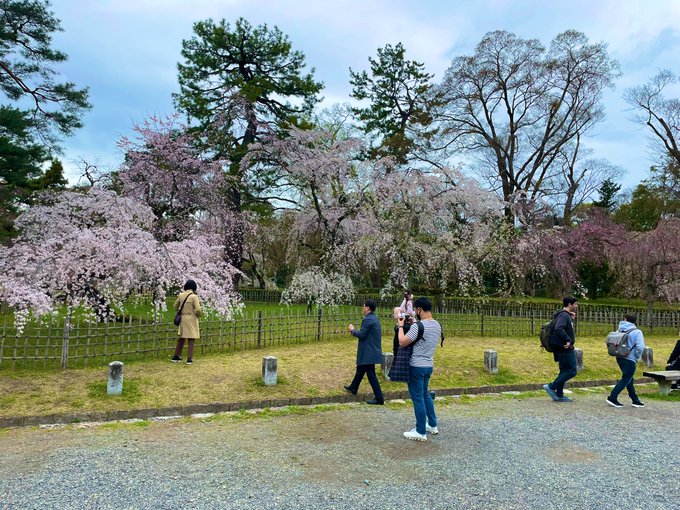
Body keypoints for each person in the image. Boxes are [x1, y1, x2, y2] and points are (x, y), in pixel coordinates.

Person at [397, 296, 441, 441]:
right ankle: (432, 425)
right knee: (425, 394)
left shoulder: (418, 326)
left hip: (416, 366)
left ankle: (420, 431)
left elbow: (402, 342)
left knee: (417, 398)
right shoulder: (437, 325)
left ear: (419, 309)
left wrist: (401, 326)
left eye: (415, 309)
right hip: (429, 365)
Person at [346, 299, 384, 405]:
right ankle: (353, 387)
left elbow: (362, 335)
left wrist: (353, 330)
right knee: (361, 368)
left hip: (369, 351)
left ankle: (379, 398)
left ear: (367, 308)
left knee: (371, 374)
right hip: (371, 350)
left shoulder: (368, 319)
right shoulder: (373, 318)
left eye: (363, 306)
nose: (362, 308)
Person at [543, 296, 579, 403]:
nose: (576, 306)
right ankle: (551, 386)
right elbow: (559, 328)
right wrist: (568, 340)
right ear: (569, 304)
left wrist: (570, 318)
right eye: (575, 304)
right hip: (565, 348)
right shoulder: (564, 316)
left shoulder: (563, 315)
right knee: (572, 371)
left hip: (561, 348)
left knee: (564, 371)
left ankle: (559, 395)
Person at [606, 313, 646, 408]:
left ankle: (635, 400)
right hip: (630, 358)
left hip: (619, 356)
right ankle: (612, 397)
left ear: (625, 319)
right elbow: (640, 347)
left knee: (629, 379)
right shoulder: (637, 332)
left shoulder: (619, 329)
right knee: (626, 379)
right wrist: (636, 357)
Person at [172, 279, 201, 365]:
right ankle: (189, 358)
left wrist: (181, 310)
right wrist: (197, 315)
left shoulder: (181, 295)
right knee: (191, 338)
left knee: (182, 337)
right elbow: (198, 309)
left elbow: (175, 306)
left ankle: (176, 356)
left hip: (183, 318)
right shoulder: (194, 297)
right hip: (191, 318)